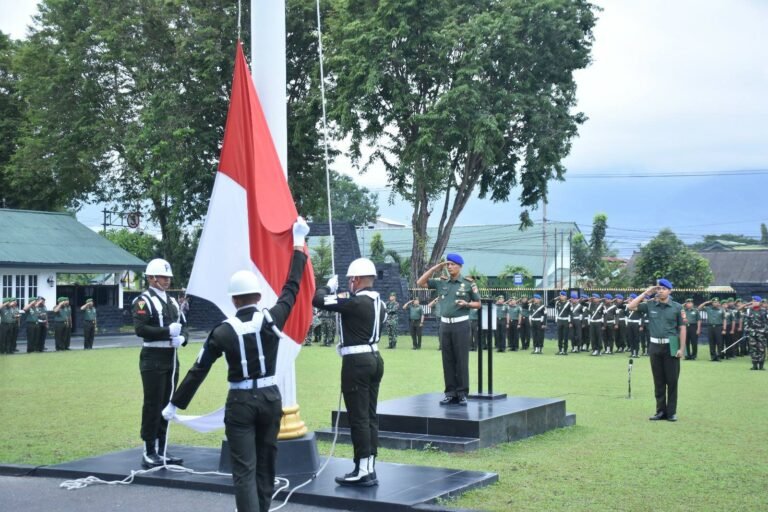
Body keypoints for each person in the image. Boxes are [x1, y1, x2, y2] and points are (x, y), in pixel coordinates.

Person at [163, 217, 309, 511]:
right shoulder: (272, 318)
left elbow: (199, 369)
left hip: (240, 401)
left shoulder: (222, 331)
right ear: (257, 296)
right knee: (267, 466)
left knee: (244, 470)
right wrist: (297, 242)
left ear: (233, 300)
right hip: (270, 399)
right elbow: (291, 287)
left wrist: (176, 404)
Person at [314, 257, 385, 486]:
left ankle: (362, 469)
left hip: (357, 362)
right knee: (370, 416)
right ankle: (369, 467)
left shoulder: (355, 302)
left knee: (359, 417)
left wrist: (328, 287)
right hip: (374, 358)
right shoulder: (379, 303)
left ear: (355, 279)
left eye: (350, 280)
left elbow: (317, 299)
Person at [133, 258, 188, 469]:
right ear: (151, 278)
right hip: (153, 357)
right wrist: (167, 332)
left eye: (168, 277)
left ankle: (162, 448)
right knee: (152, 404)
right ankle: (149, 450)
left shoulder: (173, 301)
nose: (166, 281)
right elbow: (140, 329)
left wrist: (183, 338)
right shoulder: (142, 301)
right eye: (163, 277)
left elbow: (184, 325)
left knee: (167, 404)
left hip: (171, 357)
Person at [417, 253, 480, 406]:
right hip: (445, 325)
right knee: (448, 360)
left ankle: (462, 393)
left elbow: (478, 304)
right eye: (448, 264)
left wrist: (467, 304)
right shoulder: (441, 282)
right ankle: (450, 393)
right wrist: (435, 268)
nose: (449, 267)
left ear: (460, 266)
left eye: (452, 264)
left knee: (461, 360)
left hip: (461, 324)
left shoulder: (468, 283)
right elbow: (420, 282)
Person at [627, 279, 686, 422]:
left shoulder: (677, 307)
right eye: (658, 289)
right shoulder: (650, 304)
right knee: (658, 381)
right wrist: (646, 293)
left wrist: (681, 349)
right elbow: (630, 306)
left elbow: (682, 328)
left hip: (671, 345)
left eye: (664, 289)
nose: (660, 291)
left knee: (672, 381)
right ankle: (660, 411)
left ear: (670, 291)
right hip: (654, 346)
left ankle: (671, 412)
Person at [739, 297, 767, 370]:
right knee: (753, 349)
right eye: (753, 301)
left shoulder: (764, 311)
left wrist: (764, 330)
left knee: (761, 349)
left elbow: (766, 323)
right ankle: (754, 365)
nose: (753, 302)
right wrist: (747, 329)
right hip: (752, 333)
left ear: (759, 302)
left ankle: (761, 366)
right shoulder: (749, 311)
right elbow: (746, 321)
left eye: (755, 301)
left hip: (761, 333)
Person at [625, 293, 643, 358]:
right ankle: (632, 352)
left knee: (636, 339)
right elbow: (626, 315)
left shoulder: (639, 306)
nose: (630, 299)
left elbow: (642, 317)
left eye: (631, 298)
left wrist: (641, 325)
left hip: (636, 324)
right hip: (630, 324)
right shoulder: (628, 306)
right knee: (631, 338)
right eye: (630, 298)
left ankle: (636, 353)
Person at [554, 291, 571, 355]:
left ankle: (565, 350)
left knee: (565, 336)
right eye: (560, 296)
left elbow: (570, 313)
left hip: (566, 321)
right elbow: (551, 303)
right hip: (559, 321)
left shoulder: (568, 303)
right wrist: (556, 298)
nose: (561, 297)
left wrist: (570, 322)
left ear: (566, 297)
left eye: (562, 296)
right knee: (560, 336)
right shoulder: (557, 303)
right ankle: (560, 349)